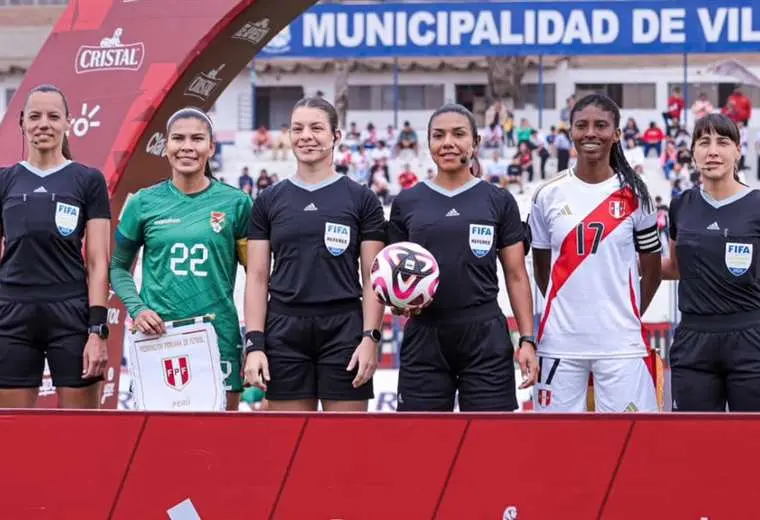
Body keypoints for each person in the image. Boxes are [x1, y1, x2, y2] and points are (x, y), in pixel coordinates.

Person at [387, 103, 538, 412]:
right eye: (438, 135)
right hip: (424, 334)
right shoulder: (407, 202)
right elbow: (390, 279)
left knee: (490, 444)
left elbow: (516, 274)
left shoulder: (498, 200)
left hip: (484, 333)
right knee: (421, 442)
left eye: (458, 134)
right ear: (428, 143)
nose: (448, 143)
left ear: (475, 142)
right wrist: (398, 302)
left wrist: (527, 339)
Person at [242, 97, 386, 412]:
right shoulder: (268, 200)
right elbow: (256, 278)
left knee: (345, 449)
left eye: (316, 128)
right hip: (284, 330)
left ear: (336, 136)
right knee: (290, 449)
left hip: (344, 330)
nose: (306, 135)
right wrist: (255, 344)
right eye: (298, 128)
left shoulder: (362, 199)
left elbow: (372, 279)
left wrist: (370, 338)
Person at [109, 107, 252, 410]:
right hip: (158, 337)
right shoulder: (142, 203)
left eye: (197, 138)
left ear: (211, 147)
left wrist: (256, 341)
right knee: (158, 443)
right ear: (166, 146)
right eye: (178, 138)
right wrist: (138, 309)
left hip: (219, 337)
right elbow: (118, 268)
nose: (187, 146)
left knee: (221, 443)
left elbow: (259, 274)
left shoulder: (237, 204)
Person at [529, 93, 663, 413]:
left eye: (601, 125)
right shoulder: (547, 195)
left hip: (621, 346)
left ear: (616, 134)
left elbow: (653, 270)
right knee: (557, 449)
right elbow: (542, 268)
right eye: (582, 125)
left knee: (630, 447)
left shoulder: (637, 196)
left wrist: (628, 315)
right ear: (571, 132)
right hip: (559, 345)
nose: (591, 133)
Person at [0, 84, 110, 408]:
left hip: (71, 315)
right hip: (11, 314)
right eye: (35, 116)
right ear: (22, 123)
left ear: (68, 123)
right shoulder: (5, 180)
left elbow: (98, 262)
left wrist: (97, 330)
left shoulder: (88, 180)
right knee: (12, 435)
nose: (43, 124)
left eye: (53, 116)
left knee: (83, 435)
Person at [662, 113, 760, 412]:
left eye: (723, 142)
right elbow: (677, 266)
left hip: (750, 337)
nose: (713, 151)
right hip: (693, 340)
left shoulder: (756, 204)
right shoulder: (680, 205)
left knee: (751, 444)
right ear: (693, 152)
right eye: (704, 142)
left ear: (738, 150)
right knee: (695, 445)